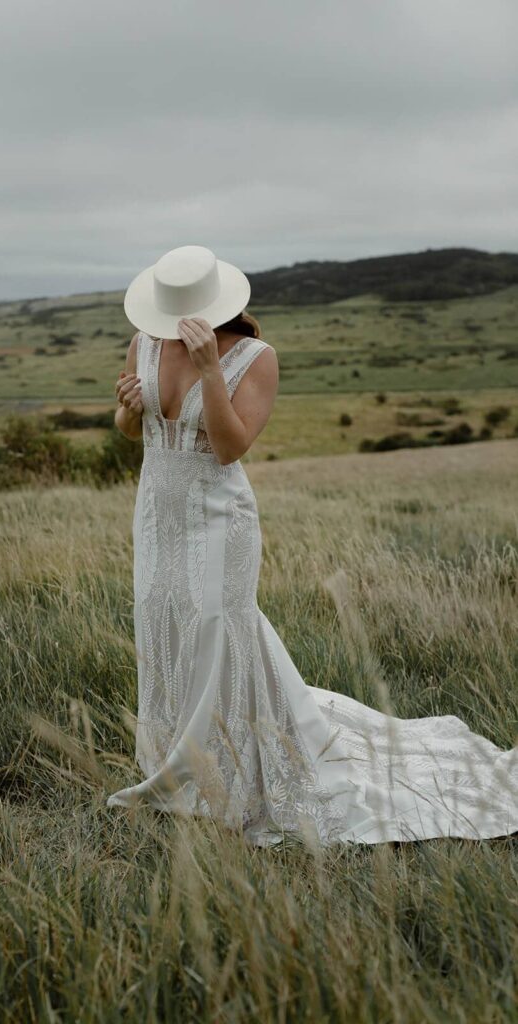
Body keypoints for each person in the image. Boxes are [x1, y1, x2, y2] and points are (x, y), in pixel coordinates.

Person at [106, 244, 518, 847]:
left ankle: (229, 776)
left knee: (218, 629)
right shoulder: (144, 343)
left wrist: (209, 371)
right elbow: (130, 430)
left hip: (219, 521)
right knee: (163, 622)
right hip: (157, 515)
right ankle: (175, 760)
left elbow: (229, 447)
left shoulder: (255, 358)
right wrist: (127, 408)